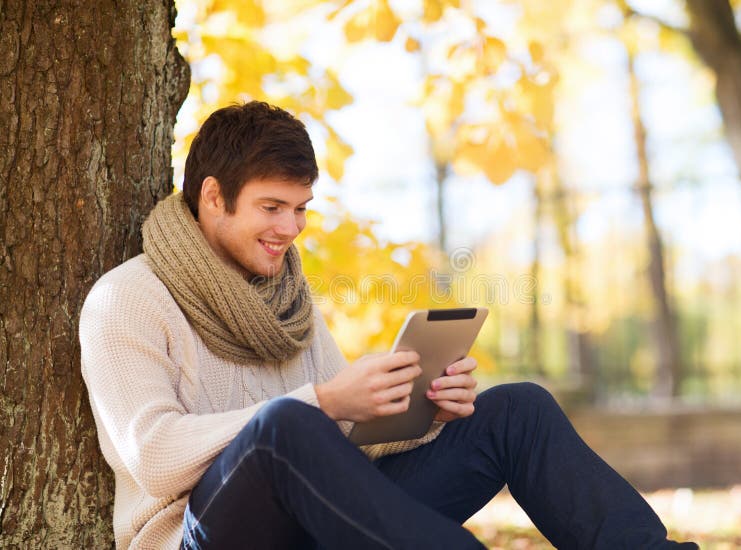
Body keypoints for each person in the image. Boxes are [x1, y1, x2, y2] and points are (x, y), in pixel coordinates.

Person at [80, 101, 696, 550]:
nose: (291, 230)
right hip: (207, 536)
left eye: (300, 210)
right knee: (284, 426)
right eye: (272, 207)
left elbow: (344, 444)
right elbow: (155, 457)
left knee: (517, 411)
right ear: (213, 197)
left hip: (323, 521)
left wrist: (423, 410)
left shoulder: (286, 298)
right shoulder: (127, 300)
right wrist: (322, 402)